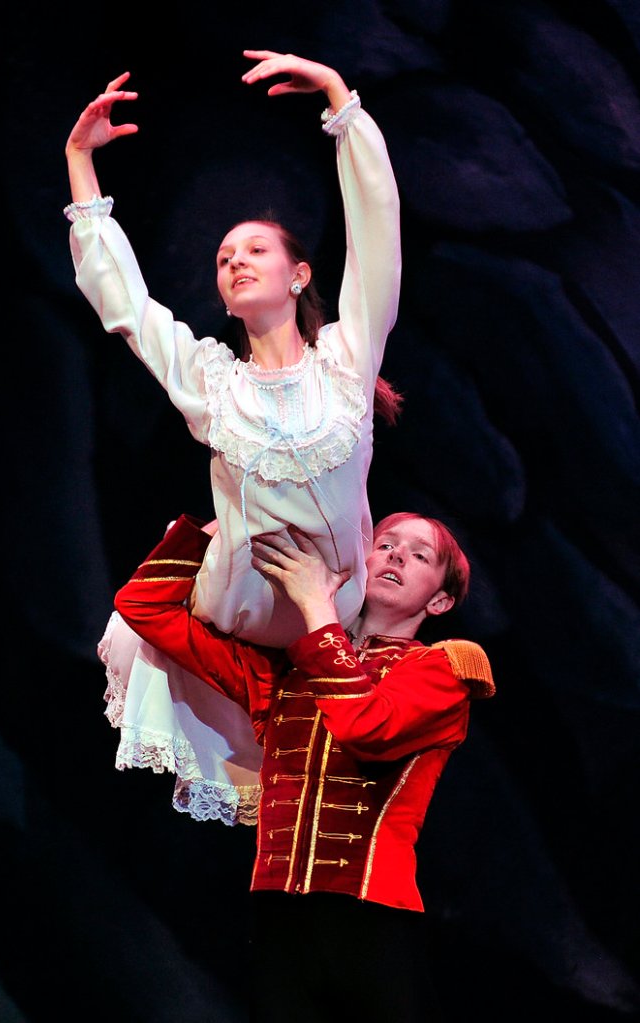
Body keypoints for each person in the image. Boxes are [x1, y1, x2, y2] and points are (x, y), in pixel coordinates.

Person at [64, 49, 402, 824]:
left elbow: (378, 232)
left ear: (297, 274)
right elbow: (127, 307)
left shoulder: (345, 363)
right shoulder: (213, 381)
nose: (234, 262)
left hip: (327, 615)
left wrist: (338, 99)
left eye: (253, 249)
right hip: (239, 619)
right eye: (222, 258)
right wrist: (81, 161)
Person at [113, 510, 495, 1021]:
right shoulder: (286, 667)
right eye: (384, 544)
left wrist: (316, 606)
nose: (397, 555)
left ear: (440, 600)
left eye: (420, 555)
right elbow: (143, 607)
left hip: (369, 920)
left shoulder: (444, 667)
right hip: (277, 919)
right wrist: (225, 520)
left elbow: (367, 727)